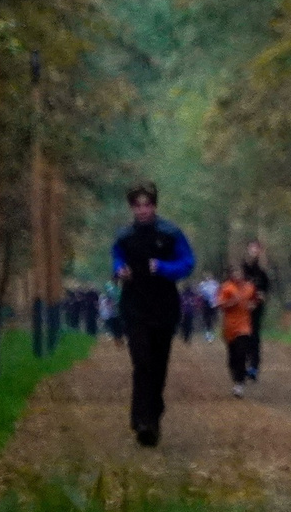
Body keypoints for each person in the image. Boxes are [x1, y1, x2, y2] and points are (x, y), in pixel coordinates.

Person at [108, 183, 197, 446]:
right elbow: (116, 257)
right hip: (134, 306)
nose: (143, 210)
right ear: (132, 208)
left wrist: (164, 267)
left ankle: (153, 416)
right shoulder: (124, 236)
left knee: (158, 365)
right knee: (142, 362)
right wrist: (120, 269)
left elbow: (187, 262)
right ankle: (141, 419)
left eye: (147, 205)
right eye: (138, 205)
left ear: (155, 207)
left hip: (164, 306)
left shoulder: (170, 233)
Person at [216, 261, 262, 396]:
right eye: (235, 273)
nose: (237, 275)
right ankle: (236, 376)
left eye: (240, 273)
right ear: (230, 274)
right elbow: (220, 303)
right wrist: (231, 302)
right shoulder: (226, 288)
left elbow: (255, 299)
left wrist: (253, 305)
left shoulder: (249, 287)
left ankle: (240, 383)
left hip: (244, 326)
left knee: (242, 352)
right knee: (233, 356)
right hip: (230, 327)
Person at [239, 240, 274, 378]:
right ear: (248, 249)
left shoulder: (263, 272)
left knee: (254, 336)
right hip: (241, 310)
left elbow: (264, 292)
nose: (254, 251)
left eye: (257, 249)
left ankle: (253, 366)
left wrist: (256, 301)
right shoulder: (241, 269)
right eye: (252, 248)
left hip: (256, 309)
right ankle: (242, 364)